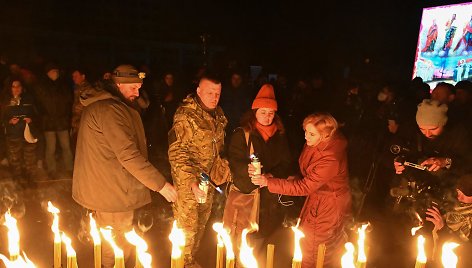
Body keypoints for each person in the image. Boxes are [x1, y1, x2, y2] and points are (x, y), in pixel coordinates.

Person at [72, 64, 177, 268]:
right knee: (115, 246)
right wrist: (161, 185)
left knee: (116, 243)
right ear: (118, 84)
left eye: (139, 88)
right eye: (133, 88)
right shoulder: (110, 110)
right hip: (111, 192)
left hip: (108, 187)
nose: (137, 93)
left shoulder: (108, 105)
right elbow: (128, 155)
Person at [252, 113, 352, 267]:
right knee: (310, 244)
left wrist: (268, 182)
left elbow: (305, 187)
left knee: (315, 248)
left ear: (325, 135)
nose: (306, 137)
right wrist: (295, 177)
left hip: (328, 206)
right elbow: (310, 175)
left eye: (311, 134)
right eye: (305, 131)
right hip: (318, 199)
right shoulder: (316, 142)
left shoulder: (330, 158)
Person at [168, 74, 232, 268]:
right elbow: (177, 153)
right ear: (198, 91)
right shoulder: (185, 115)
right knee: (186, 227)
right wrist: (191, 182)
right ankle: (181, 263)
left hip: (208, 182)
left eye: (218, 93)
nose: (214, 97)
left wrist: (223, 169)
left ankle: (190, 261)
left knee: (201, 224)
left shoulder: (218, 114)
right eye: (210, 92)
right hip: (189, 182)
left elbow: (218, 148)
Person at [226, 84, 292, 259]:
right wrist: (247, 170)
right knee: (243, 236)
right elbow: (234, 159)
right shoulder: (243, 134)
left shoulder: (280, 135)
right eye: (263, 112)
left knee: (263, 238)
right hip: (247, 196)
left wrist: (270, 176)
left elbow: (286, 162)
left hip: (269, 199)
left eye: (271, 113)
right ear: (254, 112)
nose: (267, 117)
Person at [393, 99, 471, 177]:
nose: (427, 134)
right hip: (419, 179)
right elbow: (396, 150)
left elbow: (468, 162)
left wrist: (446, 161)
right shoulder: (411, 131)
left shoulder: (459, 134)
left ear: (443, 124)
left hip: (451, 180)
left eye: (433, 129)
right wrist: (398, 162)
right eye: (422, 129)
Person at [34, 64, 74, 178]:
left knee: (66, 147)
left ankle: (69, 169)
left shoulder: (64, 86)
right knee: (50, 148)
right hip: (49, 123)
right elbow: (39, 104)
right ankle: (52, 170)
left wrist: (66, 116)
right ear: (48, 73)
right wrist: (45, 116)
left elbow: (68, 101)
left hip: (62, 122)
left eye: (56, 71)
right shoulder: (42, 86)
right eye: (52, 71)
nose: (55, 73)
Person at [425, 174, 472, 267]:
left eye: (466, 195)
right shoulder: (451, 206)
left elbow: (466, 250)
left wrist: (442, 228)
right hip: (436, 259)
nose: (460, 197)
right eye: (458, 192)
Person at [1, 78, 40, 182]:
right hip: (13, 135)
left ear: (22, 88)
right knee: (15, 161)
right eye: (14, 86)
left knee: (30, 160)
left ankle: (31, 182)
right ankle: (18, 183)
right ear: (10, 88)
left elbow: (37, 115)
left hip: (27, 135)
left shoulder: (29, 99)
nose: (16, 89)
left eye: (18, 86)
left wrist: (31, 119)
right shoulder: (5, 101)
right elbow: (2, 119)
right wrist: (9, 121)